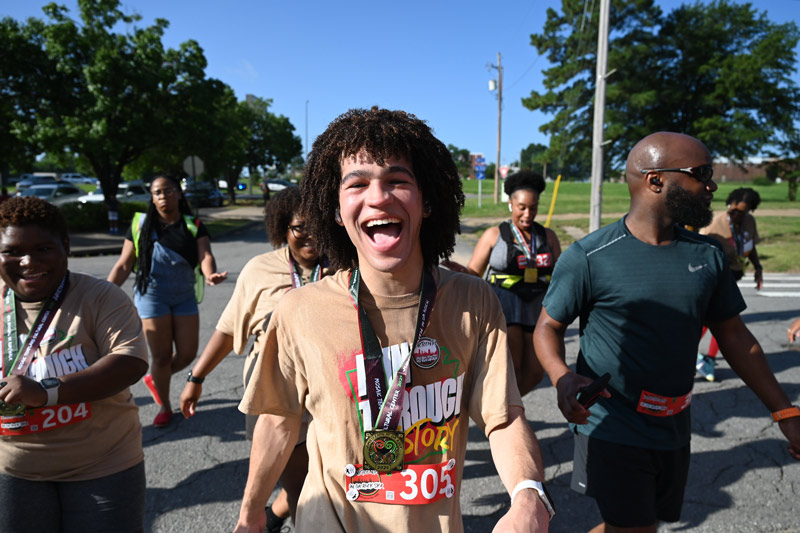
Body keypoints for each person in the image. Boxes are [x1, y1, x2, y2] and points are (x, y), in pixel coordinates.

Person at [235, 107, 552, 532]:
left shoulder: (473, 300)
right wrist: (250, 513)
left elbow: (505, 417)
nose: (379, 197)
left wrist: (530, 494)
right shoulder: (299, 310)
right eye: (358, 184)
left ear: (428, 202)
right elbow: (277, 420)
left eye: (398, 181)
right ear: (335, 209)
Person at [533, 132, 800, 533]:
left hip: (674, 425)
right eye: (702, 174)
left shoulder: (707, 256)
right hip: (610, 422)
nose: (712, 185)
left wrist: (785, 411)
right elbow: (548, 328)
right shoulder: (589, 257)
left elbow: (737, 339)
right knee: (634, 526)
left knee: (641, 525)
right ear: (655, 180)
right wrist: (562, 376)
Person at [179, 186, 328, 532]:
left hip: (330, 393)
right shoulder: (259, 269)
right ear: (282, 228)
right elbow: (230, 329)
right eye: (299, 227)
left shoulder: (346, 266)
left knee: (330, 482)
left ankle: (274, 515)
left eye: (318, 225)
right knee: (304, 489)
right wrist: (196, 378)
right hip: (276, 396)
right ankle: (275, 516)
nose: (310, 236)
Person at [0, 196, 149, 532]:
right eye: (12, 251)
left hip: (102, 467)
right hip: (14, 471)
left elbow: (131, 361)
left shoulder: (101, 296)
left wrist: (46, 392)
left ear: (65, 246)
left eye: (43, 249)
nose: (27, 262)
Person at [108, 175, 227, 429]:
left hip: (183, 296)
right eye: (157, 192)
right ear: (152, 197)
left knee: (186, 354)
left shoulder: (193, 225)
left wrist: (210, 274)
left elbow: (205, 254)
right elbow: (124, 264)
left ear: (179, 194)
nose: (163, 196)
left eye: (168, 191)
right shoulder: (140, 225)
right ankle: (164, 405)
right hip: (151, 297)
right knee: (161, 356)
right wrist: (105, 291)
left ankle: (155, 379)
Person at [444, 170, 561, 395]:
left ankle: (506, 408)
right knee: (512, 368)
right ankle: (506, 418)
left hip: (537, 306)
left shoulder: (548, 236)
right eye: (522, 207)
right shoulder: (494, 234)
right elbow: (474, 271)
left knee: (536, 372)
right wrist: (461, 272)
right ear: (511, 204)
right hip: (506, 306)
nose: (528, 214)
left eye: (533, 207)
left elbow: (559, 275)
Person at [695, 187, 764, 381]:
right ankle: (699, 356)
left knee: (718, 321)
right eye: (731, 208)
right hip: (714, 278)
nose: (733, 213)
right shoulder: (715, 223)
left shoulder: (749, 222)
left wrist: (758, 268)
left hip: (733, 275)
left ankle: (691, 353)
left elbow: (750, 246)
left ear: (750, 210)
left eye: (740, 211)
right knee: (721, 320)